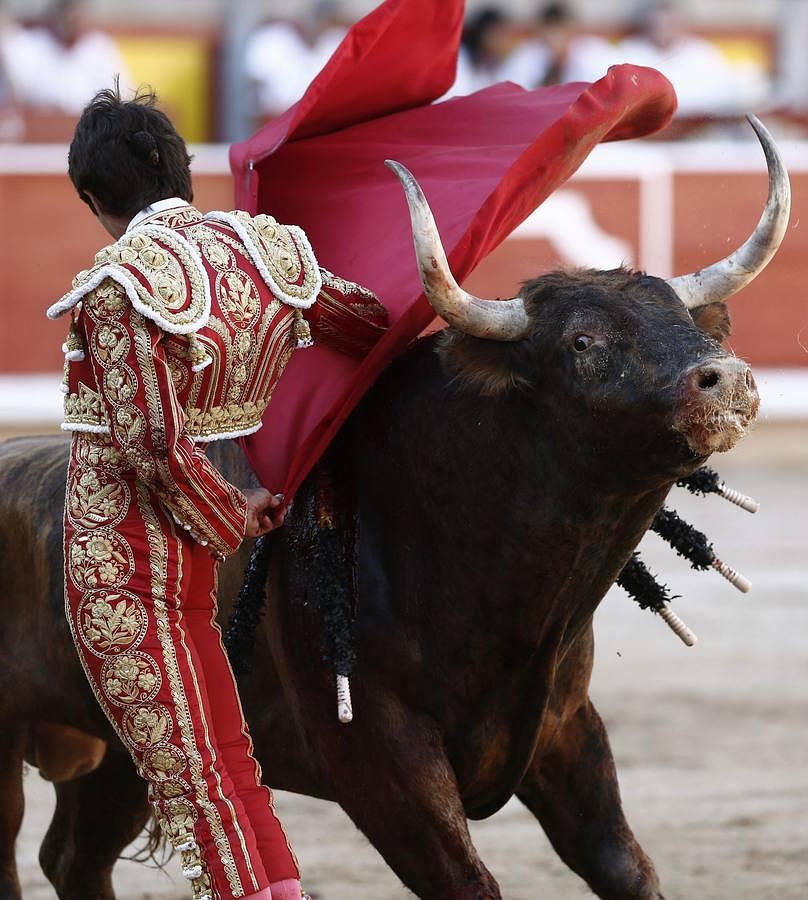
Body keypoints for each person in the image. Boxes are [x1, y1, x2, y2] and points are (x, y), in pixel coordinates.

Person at [46, 85, 388, 900]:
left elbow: (152, 447)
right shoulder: (270, 252)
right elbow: (371, 326)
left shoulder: (119, 284)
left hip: (121, 559)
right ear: (182, 171)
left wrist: (233, 512)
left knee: (195, 774)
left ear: (94, 198)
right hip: (197, 549)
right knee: (226, 757)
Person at [1, 0, 130, 114]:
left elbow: (122, 97)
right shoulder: (27, 43)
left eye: (75, 10)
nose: (70, 16)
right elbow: (16, 94)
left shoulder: (100, 46)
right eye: (66, 8)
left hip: (88, 132)